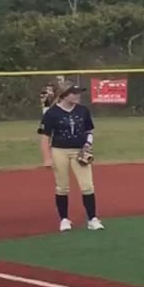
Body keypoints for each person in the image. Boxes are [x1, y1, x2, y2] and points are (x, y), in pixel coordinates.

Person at [38, 83, 103, 232]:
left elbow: (89, 131)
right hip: (59, 151)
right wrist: (47, 158)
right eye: (74, 93)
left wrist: (88, 145)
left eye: (79, 93)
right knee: (62, 187)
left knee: (87, 185)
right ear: (64, 95)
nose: (77, 95)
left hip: (79, 151)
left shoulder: (83, 110)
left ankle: (92, 219)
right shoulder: (52, 113)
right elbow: (45, 137)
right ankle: (64, 219)